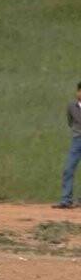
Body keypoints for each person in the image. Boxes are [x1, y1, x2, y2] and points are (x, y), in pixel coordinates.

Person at [53, 81, 81, 209]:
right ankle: (66, 200)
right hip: (77, 140)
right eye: (80, 91)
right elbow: (70, 122)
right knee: (68, 168)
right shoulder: (71, 106)